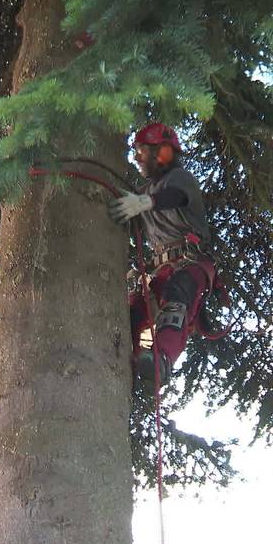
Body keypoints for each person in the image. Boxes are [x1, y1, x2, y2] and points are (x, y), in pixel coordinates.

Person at [108, 123, 215, 386]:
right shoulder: (143, 191)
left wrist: (144, 203)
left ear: (163, 153)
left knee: (177, 297)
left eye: (143, 151)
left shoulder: (179, 179)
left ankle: (162, 360)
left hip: (190, 264)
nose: (138, 158)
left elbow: (175, 197)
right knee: (133, 311)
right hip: (159, 269)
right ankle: (128, 363)